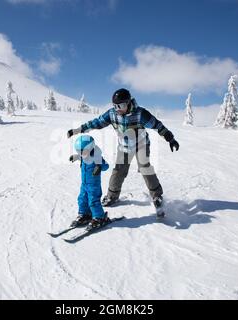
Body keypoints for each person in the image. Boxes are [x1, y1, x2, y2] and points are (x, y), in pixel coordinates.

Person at [67, 88, 179, 218]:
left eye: (121, 105)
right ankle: (112, 196)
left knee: (145, 168)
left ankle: (157, 197)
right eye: (115, 106)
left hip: (141, 145)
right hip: (124, 147)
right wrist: (78, 130)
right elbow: (96, 122)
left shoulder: (140, 114)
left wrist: (170, 138)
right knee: (118, 171)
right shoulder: (112, 114)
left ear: (129, 102)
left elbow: (157, 125)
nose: (118, 108)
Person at [69, 135, 110, 231]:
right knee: (82, 198)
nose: (81, 154)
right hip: (84, 184)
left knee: (93, 201)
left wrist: (99, 167)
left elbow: (106, 166)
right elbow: (81, 156)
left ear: (90, 148)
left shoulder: (97, 157)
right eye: (79, 152)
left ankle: (99, 217)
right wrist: (76, 157)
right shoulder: (84, 154)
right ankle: (85, 214)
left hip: (93, 185)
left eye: (82, 152)